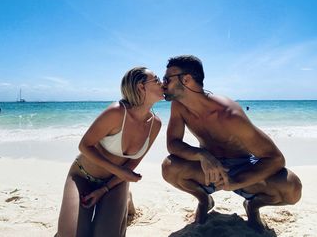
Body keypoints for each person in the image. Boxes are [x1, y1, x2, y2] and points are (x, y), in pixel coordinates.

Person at [161, 55, 302, 232]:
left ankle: (253, 206)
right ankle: (204, 200)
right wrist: (202, 155)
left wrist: (235, 182)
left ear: (186, 79)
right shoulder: (178, 106)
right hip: (208, 168)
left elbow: (275, 159)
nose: (162, 84)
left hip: (242, 169)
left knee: (292, 188)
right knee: (169, 167)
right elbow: (173, 143)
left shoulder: (229, 114)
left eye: (167, 79)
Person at [56, 67, 163, 237]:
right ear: (141, 87)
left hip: (115, 182)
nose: (162, 83)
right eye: (156, 80)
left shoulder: (155, 124)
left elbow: (132, 164)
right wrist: (119, 170)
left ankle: (125, 198)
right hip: (82, 176)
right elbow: (84, 145)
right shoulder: (116, 112)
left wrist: (104, 189)